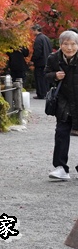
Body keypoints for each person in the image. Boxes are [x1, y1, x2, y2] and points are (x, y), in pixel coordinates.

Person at [47, 30, 78, 181]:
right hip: (64, 102)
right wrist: (54, 76)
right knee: (61, 134)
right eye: (66, 44)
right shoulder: (53, 58)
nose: (70, 48)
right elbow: (45, 75)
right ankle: (60, 168)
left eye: (73, 44)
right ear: (60, 45)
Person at [32, 25, 52, 99]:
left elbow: (37, 51)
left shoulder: (38, 39)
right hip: (47, 61)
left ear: (36, 30)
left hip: (40, 62)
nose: (32, 32)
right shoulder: (46, 38)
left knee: (39, 78)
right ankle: (46, 92)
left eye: (33, 30)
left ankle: (41, 93)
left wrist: (33, 60)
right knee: (45, 78)